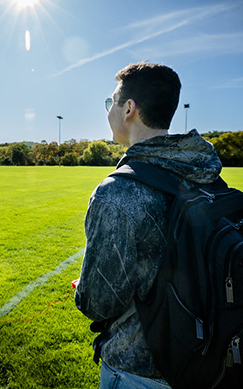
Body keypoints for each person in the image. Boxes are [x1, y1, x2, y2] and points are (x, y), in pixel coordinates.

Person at [74, 62, 223, 388]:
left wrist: (86, 288)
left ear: (129, 108)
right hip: (207, 361)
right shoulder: (208, 174)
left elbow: (99, 303)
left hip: (138, 372)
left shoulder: (117, 191)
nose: (110, 110)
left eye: (113, 102)